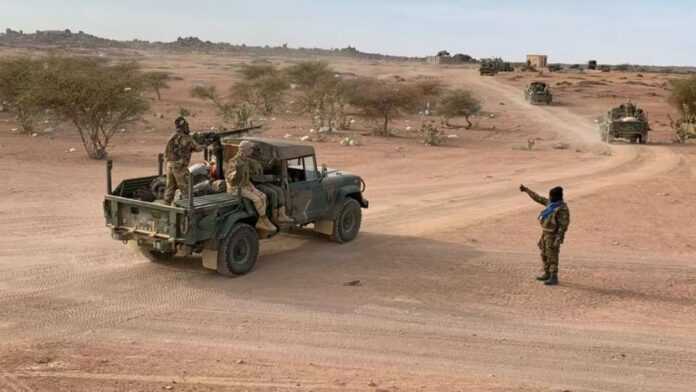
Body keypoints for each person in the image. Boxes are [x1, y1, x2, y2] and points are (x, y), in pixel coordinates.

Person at [519, 184, 570, 286]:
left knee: (552, 255)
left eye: (551, 196)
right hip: (545, 233)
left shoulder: (562, 209)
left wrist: (558, 239)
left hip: (553, 235)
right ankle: (547, 273)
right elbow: (537, 198)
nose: (549, 197)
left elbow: (563, 226)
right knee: (544, 253)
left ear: (557, 197)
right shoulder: (551, 204)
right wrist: (526, 190)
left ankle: (553, 276)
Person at [225, 141, 276, 232]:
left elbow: (257, 166)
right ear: (245, 150)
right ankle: (263, 220)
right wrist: (236, 172)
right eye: (250, 149)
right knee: (257, 199)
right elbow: (231, 179)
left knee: (263, 196)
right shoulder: (234, 162)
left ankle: (261, 219)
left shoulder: (246, 160)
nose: (252, 151)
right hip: (236, 188)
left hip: (246, 184)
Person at [163, 117, 204, 204]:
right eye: (187, 126)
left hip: (170, 164)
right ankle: (187, 208)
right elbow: (198, 148)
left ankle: (166, 204)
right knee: (186, 188)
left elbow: (167, 151)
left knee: (170, 187)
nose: (188, 127)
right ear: (183, 127)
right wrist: (204, 144)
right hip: (180, 166)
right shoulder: (187, 138)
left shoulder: (172, 137)